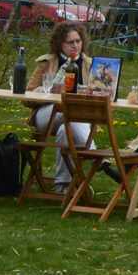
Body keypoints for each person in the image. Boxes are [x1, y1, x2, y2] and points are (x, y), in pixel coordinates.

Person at [25, 21, 95, 195]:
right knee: (65, 110)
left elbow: (102, 94)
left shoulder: (91, 64)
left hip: (77, 116)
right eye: (70, 42)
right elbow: (27, 96)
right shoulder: (47, 62)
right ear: (60, 44)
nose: (75, 46)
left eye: (78, 41)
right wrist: (47, 91)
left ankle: (63, 185)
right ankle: (94, 152)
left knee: (67, 129)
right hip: (48, 113)